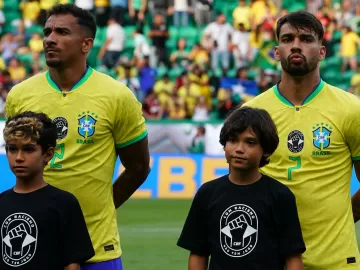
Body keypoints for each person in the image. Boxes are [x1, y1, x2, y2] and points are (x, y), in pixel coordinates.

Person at [5, 4, 151, 270]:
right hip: (34, 246)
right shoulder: (20, 96)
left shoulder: (116, 96)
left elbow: (139, 166)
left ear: (86, 44)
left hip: (97, 249)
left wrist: (102, 208)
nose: (50, 38)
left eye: (62, 32)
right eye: (47, 31)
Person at [244, 11, 360, 269]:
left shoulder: (351, 110)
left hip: (335, 260)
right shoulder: (252, 113)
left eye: (306, 39)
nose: (296, 45)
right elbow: (240, 186)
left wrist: (342, 219)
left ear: (321, 51)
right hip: (267, 259)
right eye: (287, 39)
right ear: (276, 51)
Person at [177, 107, 306, 270]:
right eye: (233, 140)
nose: (239, 148)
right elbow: (198, 253)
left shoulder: (280, 195)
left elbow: (293, 257)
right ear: (224, 145)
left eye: (250, 142)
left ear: (265, 149)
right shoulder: (207, 193)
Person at [0, 111, 95, 270]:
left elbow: (72, 264)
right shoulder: (2, 202)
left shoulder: (64, 203)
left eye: (29, 149)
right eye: (12, 149)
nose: (19, 157)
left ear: (48, 154)